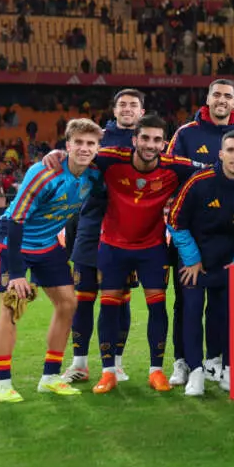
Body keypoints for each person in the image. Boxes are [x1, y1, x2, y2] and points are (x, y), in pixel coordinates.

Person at [79, 115, 204, 395]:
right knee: (109, 307)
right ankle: (108, 372)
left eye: (157, 139)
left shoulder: (175, 167)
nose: (150, 144)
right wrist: (55, 155)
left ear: (164, 143)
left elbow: (212, 169)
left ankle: (156, 371)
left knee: (157, 308)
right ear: (134, 139)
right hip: (112, 247)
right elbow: (78, 154)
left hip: (152, 249)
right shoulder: (111, 158)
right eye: (145, 138)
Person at [0, 119, 102, 403]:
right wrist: (17, 274)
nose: (84, 148)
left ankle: (50, 377)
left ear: (98, 148)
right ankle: (2, 383)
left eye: (90, 143)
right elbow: (16, 221)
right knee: (13, 306)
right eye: (78, 142)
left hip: (48, 243)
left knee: (68, 303)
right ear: (68, 146)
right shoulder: (44, 172)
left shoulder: (94, 177)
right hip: (13, 239)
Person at [168, 131, 234, 396]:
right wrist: (191, 258)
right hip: (194, 259)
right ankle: (195, 372)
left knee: (226, 313)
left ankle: (227, 368)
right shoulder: (199, 182)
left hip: (229, 260)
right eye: (232, 151)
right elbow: (176, 221)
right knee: (191, 311)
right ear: (221, 154)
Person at [62, 88, 146, 383]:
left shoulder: (148, 142)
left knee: (119, 300)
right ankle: (79, 364)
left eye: (133, 105)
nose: (127, 109)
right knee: (82, 298)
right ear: (114, 110)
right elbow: (70, 156)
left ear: (141, 112)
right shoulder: (98, 137)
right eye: (122, 104)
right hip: (89, 228)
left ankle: (116, 364)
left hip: (127, 232)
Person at [166, 79, 234, 386]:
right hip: (187, 235)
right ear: (207, 99)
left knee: (223, 304)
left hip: (227, 237)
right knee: (185, 301)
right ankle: (182, 361)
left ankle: (216, 361)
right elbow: (169, 168)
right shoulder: (186, 133)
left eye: (228, 96)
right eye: (217, 94)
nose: (222, 100)